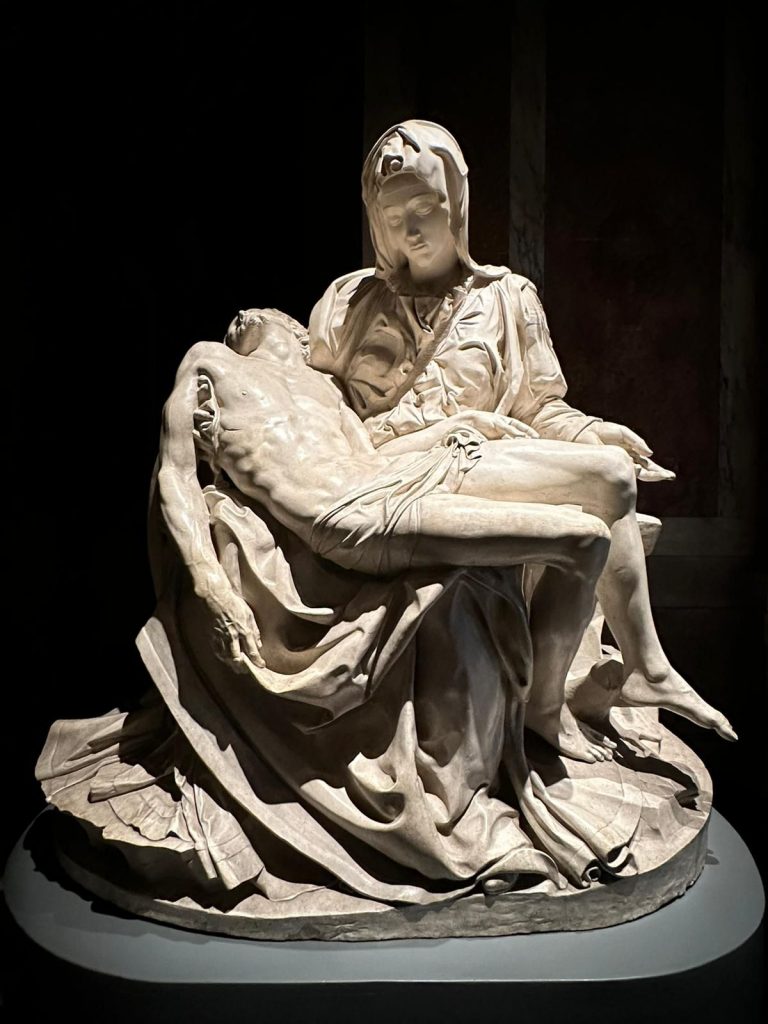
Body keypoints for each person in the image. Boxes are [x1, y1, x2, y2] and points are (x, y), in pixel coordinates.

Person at [308, 119, 736, 759]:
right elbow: (315, 412)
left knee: (608, 476)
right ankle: (633, 673)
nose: (411, 230)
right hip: (387, 470)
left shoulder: (508, 298)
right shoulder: (349, 302)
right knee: (608, 479)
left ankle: (571, 690)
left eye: (425, 209)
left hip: (479, 461)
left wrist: (592, 431)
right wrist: (436, 430)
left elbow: (540, 408)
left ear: (457, 202)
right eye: (394, 217)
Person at [161, 307, 734, 765]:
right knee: (584, 539)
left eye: (276, 316)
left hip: (393, 479)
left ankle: (634, 672)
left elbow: (371, 453)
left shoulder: (324, 387)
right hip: (350, 515)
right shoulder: (211, 360)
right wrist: (210, 584)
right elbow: (175, 473)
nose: (257, 316)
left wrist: (460, 424)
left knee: (607, 481)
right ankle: (544, 706)